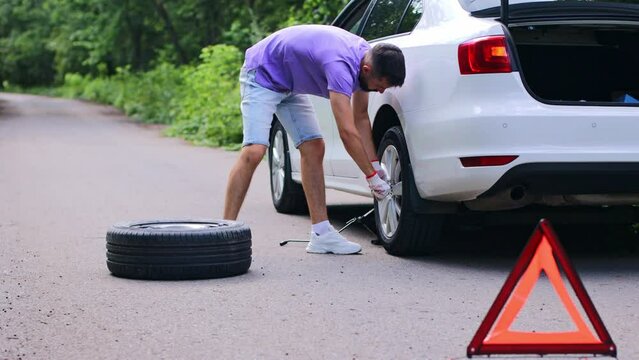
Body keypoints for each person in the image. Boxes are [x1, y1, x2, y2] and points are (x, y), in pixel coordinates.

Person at [223, 24, 406, 255]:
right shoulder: (340, 66)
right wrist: (371, 177)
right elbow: (347, 132)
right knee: (254, 151)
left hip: (290, 85)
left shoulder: (366, 60)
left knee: (314, 147)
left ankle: (321, 235)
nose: (380, 92)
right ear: (368, 70)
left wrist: (374, 165)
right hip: (262, 75)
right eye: (380, 87)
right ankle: (223, 231)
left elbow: (360, 118)